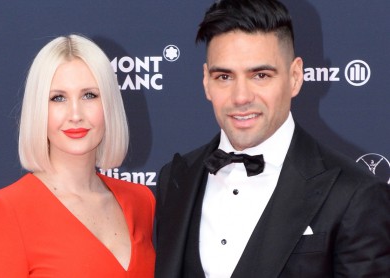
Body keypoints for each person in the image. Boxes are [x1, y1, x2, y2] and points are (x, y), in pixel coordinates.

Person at [154, 0, 390, 277]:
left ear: (295, 77)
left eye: (260, 75)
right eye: (224, 77)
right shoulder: (175, 179)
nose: (241, 97)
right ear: (206, 81)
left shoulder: (355, 195)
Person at [0, 34, 155, 277]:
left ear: (109, 104)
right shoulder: (7, 209)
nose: (75, 114)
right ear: (39, 109)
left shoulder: (141, 201)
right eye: (58, 98)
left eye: (89, 95)